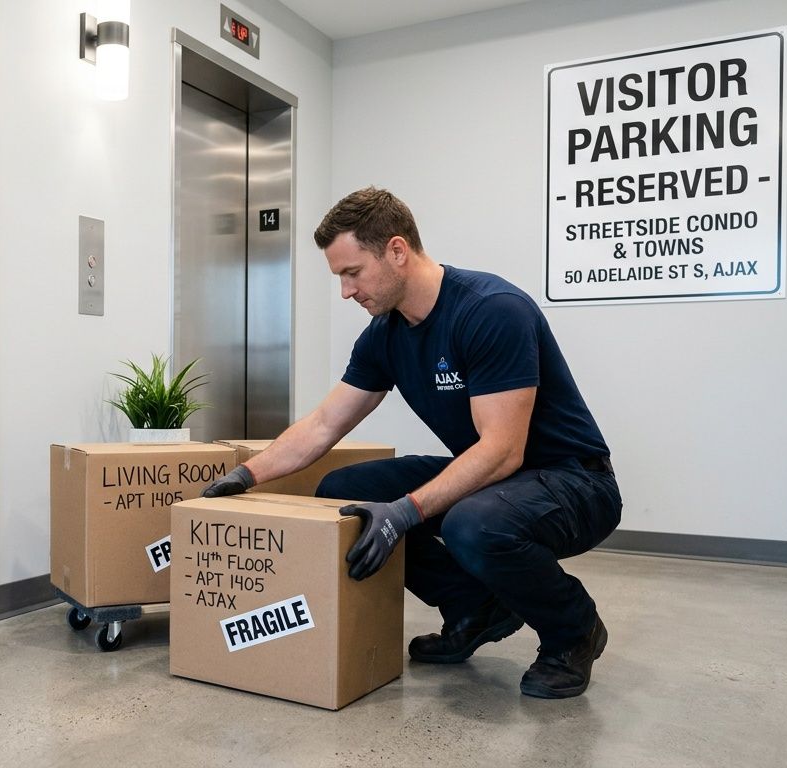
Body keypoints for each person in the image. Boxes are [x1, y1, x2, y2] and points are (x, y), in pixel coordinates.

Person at [201, 187, 622, 699]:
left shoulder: (492, 310)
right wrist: (245, 474)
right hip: (500, 479)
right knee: (342, 493)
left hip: (574, 480)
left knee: (472, 524)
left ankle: (573, 631)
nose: (346, 291)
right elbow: (325, 424)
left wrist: (405, 512)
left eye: (352, 273)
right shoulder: (385, 334)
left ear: (397, 251)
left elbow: (502, 450)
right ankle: (473, 605)